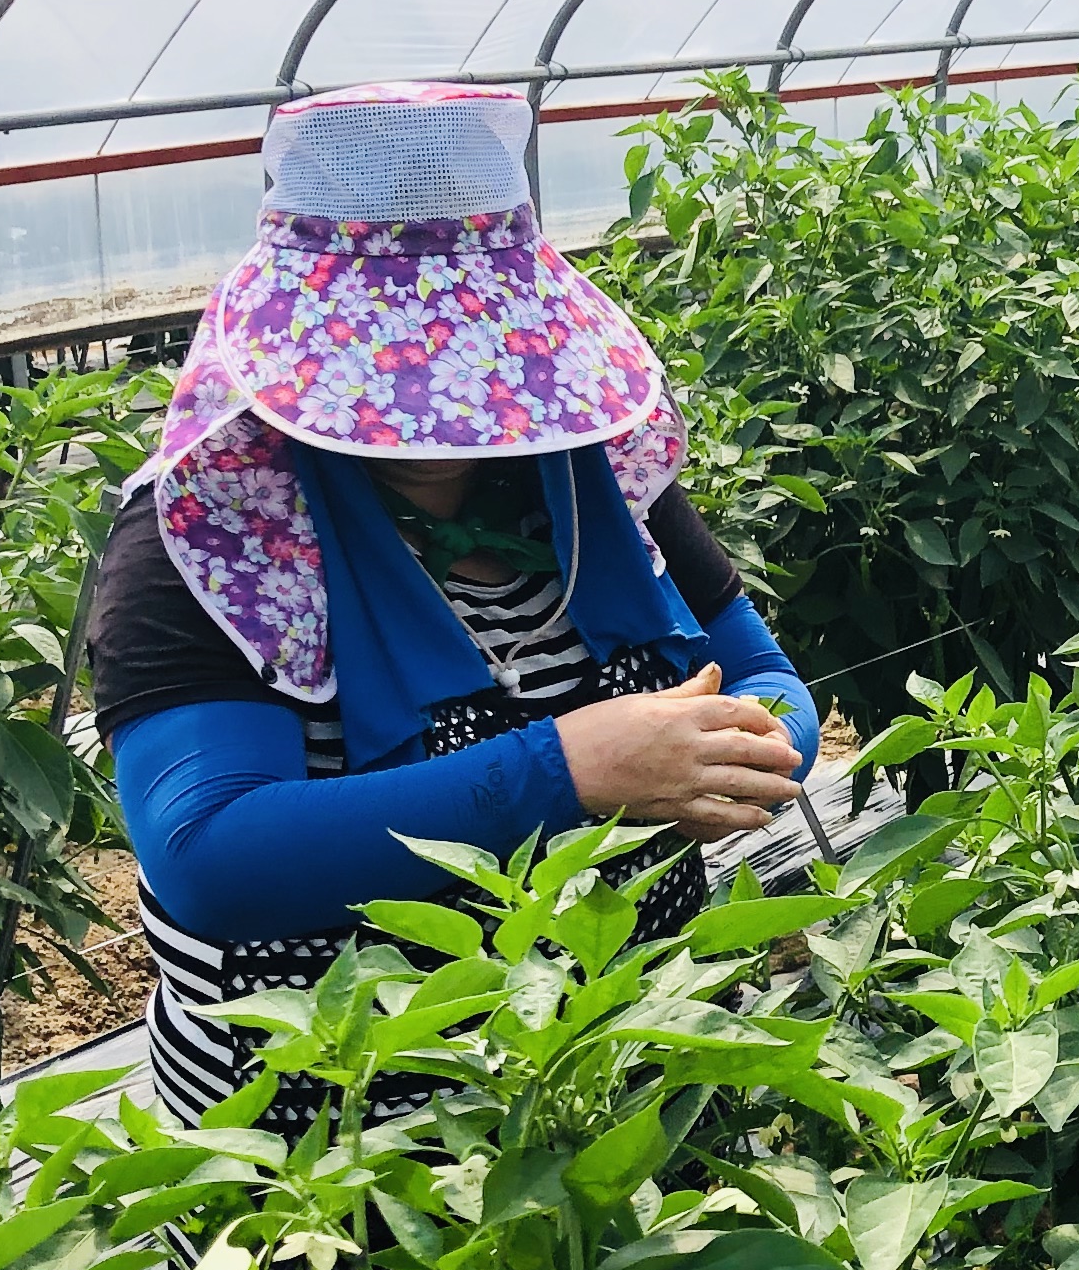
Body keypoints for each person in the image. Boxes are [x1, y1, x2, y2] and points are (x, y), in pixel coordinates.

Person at [87, 81, 817, 1122]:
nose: (435, 429)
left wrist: (732, 756)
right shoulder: (215, 524)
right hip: (331, 1152)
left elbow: (767, 679)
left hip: (622, 1085)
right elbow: (211, 853)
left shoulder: (594, 480)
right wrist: (572, 770)